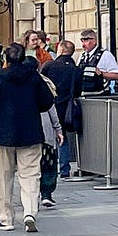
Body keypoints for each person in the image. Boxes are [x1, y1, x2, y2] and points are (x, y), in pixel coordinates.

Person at [0, 41, 56, 232]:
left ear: (5, 58)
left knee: (4, 177)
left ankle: (6, 218)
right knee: (31, 175)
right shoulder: (33, 77)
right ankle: (30, 212)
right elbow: (47, 101)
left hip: (4, 133)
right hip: (30, 132)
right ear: (24, 58)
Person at [45, 37, 81, 180]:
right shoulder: (76, 69)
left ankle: (49, 166)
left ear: (60, 49)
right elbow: (78, 90)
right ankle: (64, 168)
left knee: (50, 137)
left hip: (50, 105)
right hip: (67, 107)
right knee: (63, 137)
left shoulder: (49, 66)